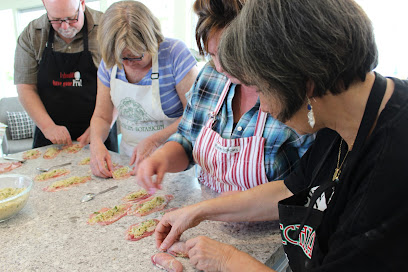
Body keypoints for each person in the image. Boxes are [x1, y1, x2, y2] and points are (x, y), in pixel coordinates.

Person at [153, 0, 408, 271]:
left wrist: (228, 260)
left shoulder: (392, 167)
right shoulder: (342, 114)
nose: (262, 106)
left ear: (304, 82)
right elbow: (290, 189)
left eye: (260, 89)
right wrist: (198, 211)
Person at [136, 0, 314, 193]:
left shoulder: (293, 95)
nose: (220, 67)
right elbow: (188, 140)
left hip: (271, 222)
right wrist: (162, 158)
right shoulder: (210, 76)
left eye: (230, 55)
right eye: (212, 55)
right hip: (205, 215)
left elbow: (307, 184)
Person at [89, 1, 199, 178]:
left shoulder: (175, 54)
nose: (129, 64)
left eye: (136, 56)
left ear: (152, 41)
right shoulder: (109, 63)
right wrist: (96, 144)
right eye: (122, 58)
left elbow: (195, 115)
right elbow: (102, 116)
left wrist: (155, 140)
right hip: (129, 162)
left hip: (175, 164)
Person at [14, 0, 118, 151]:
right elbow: (25, 87)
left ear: (82, 3)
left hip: (100, 130)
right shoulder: (32, 34)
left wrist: (103, 125)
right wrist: (48, 127)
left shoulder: (107, 28)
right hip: (49, 133)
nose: (65, 26)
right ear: (44, 5)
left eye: (72, 18)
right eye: (56, 20)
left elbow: (118, 85)